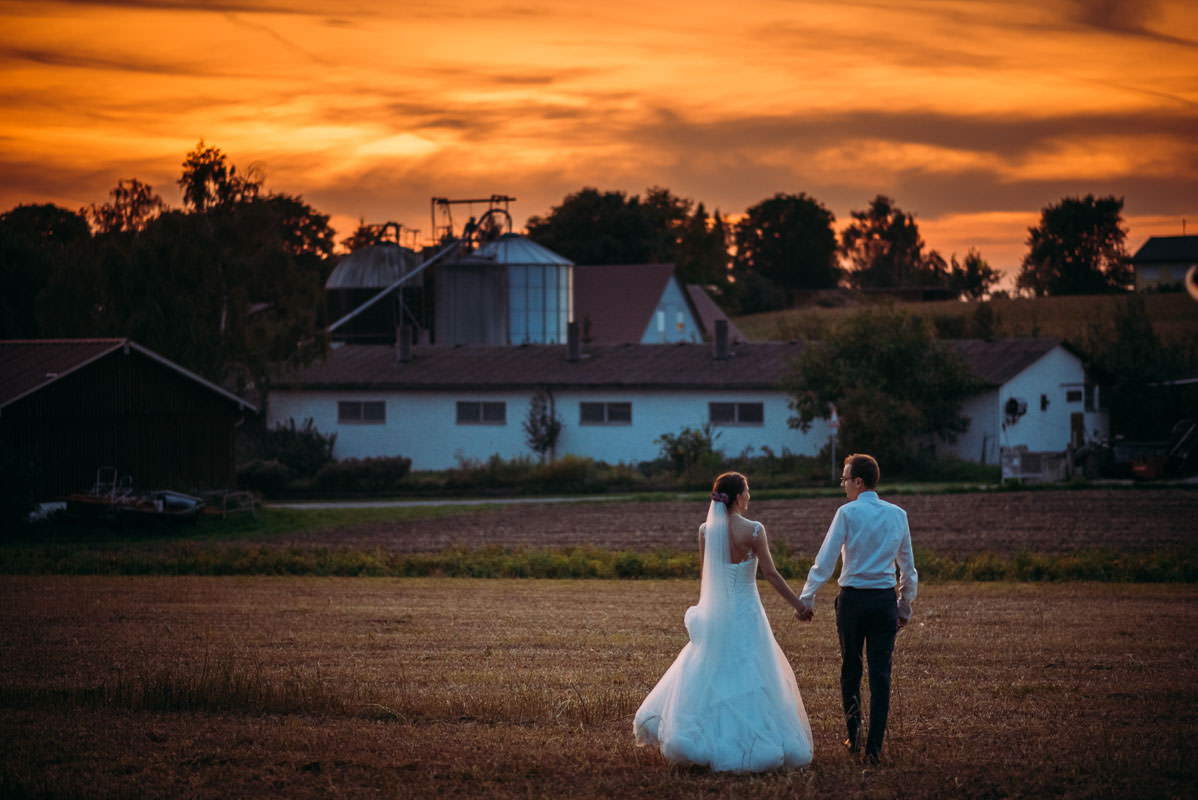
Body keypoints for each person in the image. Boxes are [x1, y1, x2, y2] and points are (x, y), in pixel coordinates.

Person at [634, 471, 813, 772]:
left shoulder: (706, 531)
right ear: (740, 496)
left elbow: (707, 578)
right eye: (748, 490)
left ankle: (702, 738)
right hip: (747, 612)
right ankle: (752, 744)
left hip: (717, 614)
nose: (750, 496)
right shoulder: (754, 531)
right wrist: (799, 604)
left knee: (710, 671)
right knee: (753, 674)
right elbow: (770, 573)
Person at [796, 453, 917, 764]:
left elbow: (826, 559)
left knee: (851, 668)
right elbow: (908, 567)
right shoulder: (898, 514)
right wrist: (905, 604)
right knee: (881, 674)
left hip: (852, 601)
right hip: (884, 601)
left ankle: (854, 734)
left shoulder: (847, 513)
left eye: (845, 478)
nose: (842, 484)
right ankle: (874, 747)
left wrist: (807, 596)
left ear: (859, 482)